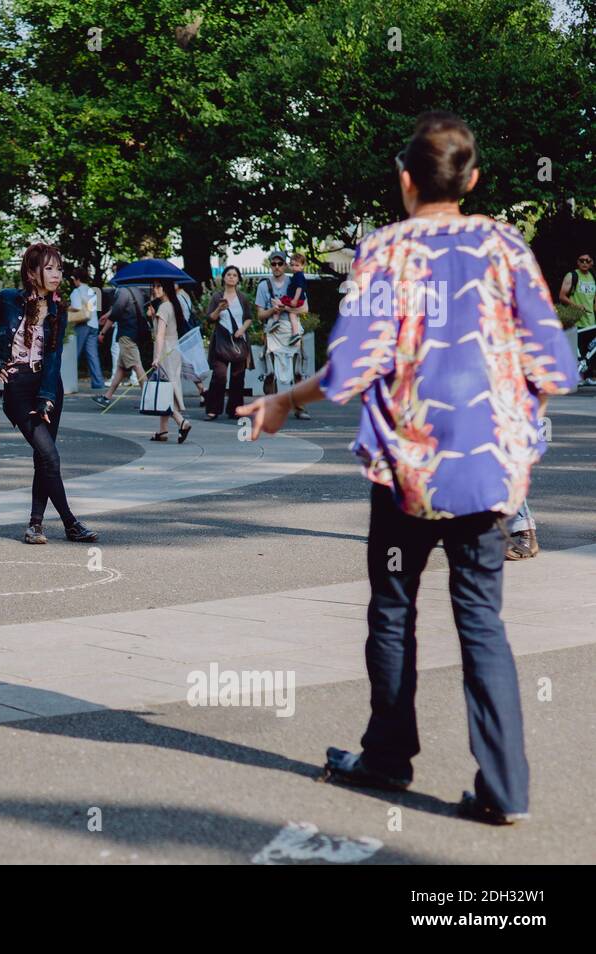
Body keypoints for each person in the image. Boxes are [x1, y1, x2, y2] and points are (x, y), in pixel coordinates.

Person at [237, 112, 579, 825]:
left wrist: (282, 402)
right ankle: (506, 786)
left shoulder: (385, 253)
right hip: (487, 475)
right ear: (474, 179)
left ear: (405, 179)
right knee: (482, 620)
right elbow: (556, 363)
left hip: (408, 472)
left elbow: (350, 368)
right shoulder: (505, 246)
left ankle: (389, 756)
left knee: (393, 611)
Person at [0, 243, 98, 545]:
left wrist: (48, 397)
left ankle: (35, 525)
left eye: (59, 268)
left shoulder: (57, 309)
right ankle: (71, 523)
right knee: (50, 456)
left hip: (47, 387)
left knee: (43, 459)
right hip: (18, 387)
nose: (57, 274)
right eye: (49, 268)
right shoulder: (7, 299)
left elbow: (54, 356)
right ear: (32, 272)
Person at [255, 251, 311, 418]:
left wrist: (285, 308)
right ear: (270, 265)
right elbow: (259, 315)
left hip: (291, 330)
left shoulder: (294, 280)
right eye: (274, 264)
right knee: (270, 372)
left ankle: (299, 407)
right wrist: (273, 309)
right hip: (273, 331)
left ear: (285, 265)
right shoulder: (264, 286)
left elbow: (305, 308)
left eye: (280, 264)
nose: (277, 267)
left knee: (298, 370)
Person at [92, 265, 151, 409]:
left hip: (126, 334)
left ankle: (149, 399)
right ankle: (107, 397)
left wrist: (102, 333)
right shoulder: (136, 290)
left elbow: (115, 314)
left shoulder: (123, 291)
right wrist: (107, 315)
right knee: (121, 368)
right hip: (134, 333)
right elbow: (118, 310)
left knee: (137, 366)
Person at [147, 279, 194, 443]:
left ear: (166, 288)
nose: (155, 289)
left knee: (163, 390)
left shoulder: (164, 307)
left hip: (165, 350)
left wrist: (157, 357)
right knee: (166, 389)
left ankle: (181, 421)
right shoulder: (172, 305)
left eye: (159, 286)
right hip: (173, 350)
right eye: (154, 286)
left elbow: (160, 335)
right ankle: (163, 431)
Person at [204, 265, 254, 420]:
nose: (231, 277)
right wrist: (219, 308)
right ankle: (213, 410)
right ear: (224, 278)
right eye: (229, 274)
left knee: (238, 377)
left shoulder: (243, 298)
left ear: (238, 279)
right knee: (219, 376)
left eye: (234, 275)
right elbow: (210, 319)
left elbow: (249, 318)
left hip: (239, 341)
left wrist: (242, 330)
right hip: (221, 341)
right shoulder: (216, 297)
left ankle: (235, 409)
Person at [558, 250, 596, 385]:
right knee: (577, 351)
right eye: (582, 260)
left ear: (592, 263)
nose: (585, 263)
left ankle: (588, 377)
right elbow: (562, 296)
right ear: (577, 262)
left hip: (591, 321)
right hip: (576, 320)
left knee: (590, 351)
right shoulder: (572, 276)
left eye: (588, 260)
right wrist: (576, 306)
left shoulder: (593, 276)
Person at [68, 267, 105, 389]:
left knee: (74, 354)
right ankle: (98, 383)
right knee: (93, 355)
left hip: (82, 324)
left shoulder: (77, 292)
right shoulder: (91, 290)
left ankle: (69, 381)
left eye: (73, 278)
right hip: (93, 324)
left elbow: (77, 307)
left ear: (77, 279)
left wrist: (66, 308)